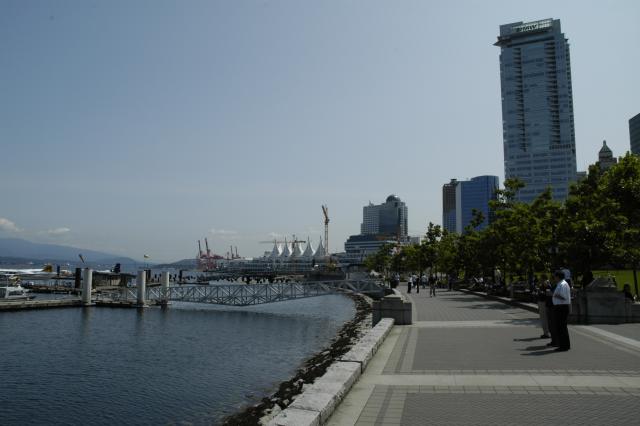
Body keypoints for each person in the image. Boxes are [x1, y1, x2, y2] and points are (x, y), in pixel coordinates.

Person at [551, 270, 571, 352]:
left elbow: (564, 297)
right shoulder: (561, 284)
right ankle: (564, 345)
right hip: (560, 307)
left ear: (558, 277)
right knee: (561, 327)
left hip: (561, 307)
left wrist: (554, 295)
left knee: (561, 327)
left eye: (555, 276)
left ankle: (563, 346)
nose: (554, 278)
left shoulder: (562, 284)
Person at [536, 275, 551, 339]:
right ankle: (545, 332)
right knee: (543, 318)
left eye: (541, 279)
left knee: (544, 318)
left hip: (543, 302)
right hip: (541, 302)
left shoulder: (546, 284)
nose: (539, 280)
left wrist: (541, 292)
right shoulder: (542, 284)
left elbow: (548, 293)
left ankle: (546, 333)